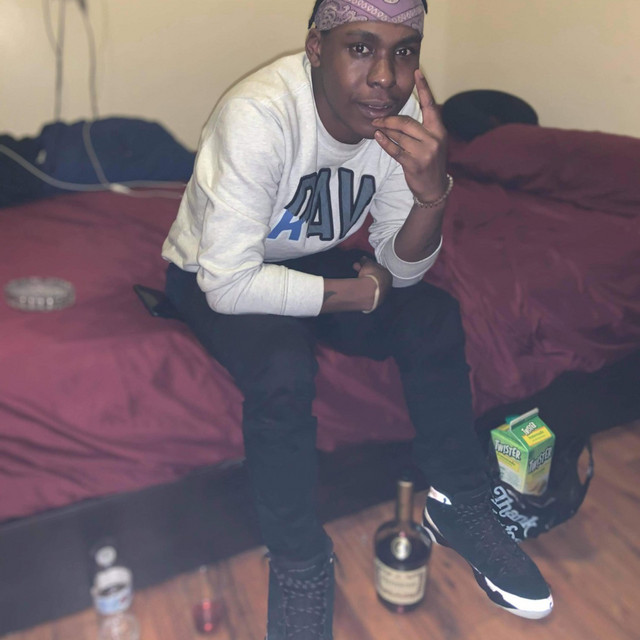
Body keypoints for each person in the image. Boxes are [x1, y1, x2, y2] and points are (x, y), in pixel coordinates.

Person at [162, 1, 553, 636]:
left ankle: (460, 503)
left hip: (308, 259)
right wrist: (354, 295)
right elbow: (229, 282)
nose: (384, 77)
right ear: (317, 48)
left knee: (433, 316)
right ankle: (299, 560)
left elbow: (401, 271)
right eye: (361, 48)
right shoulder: (260, 115)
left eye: (404, 52)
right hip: (213, 271)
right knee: (282, 365)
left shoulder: (399, 120)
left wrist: (432, 193)